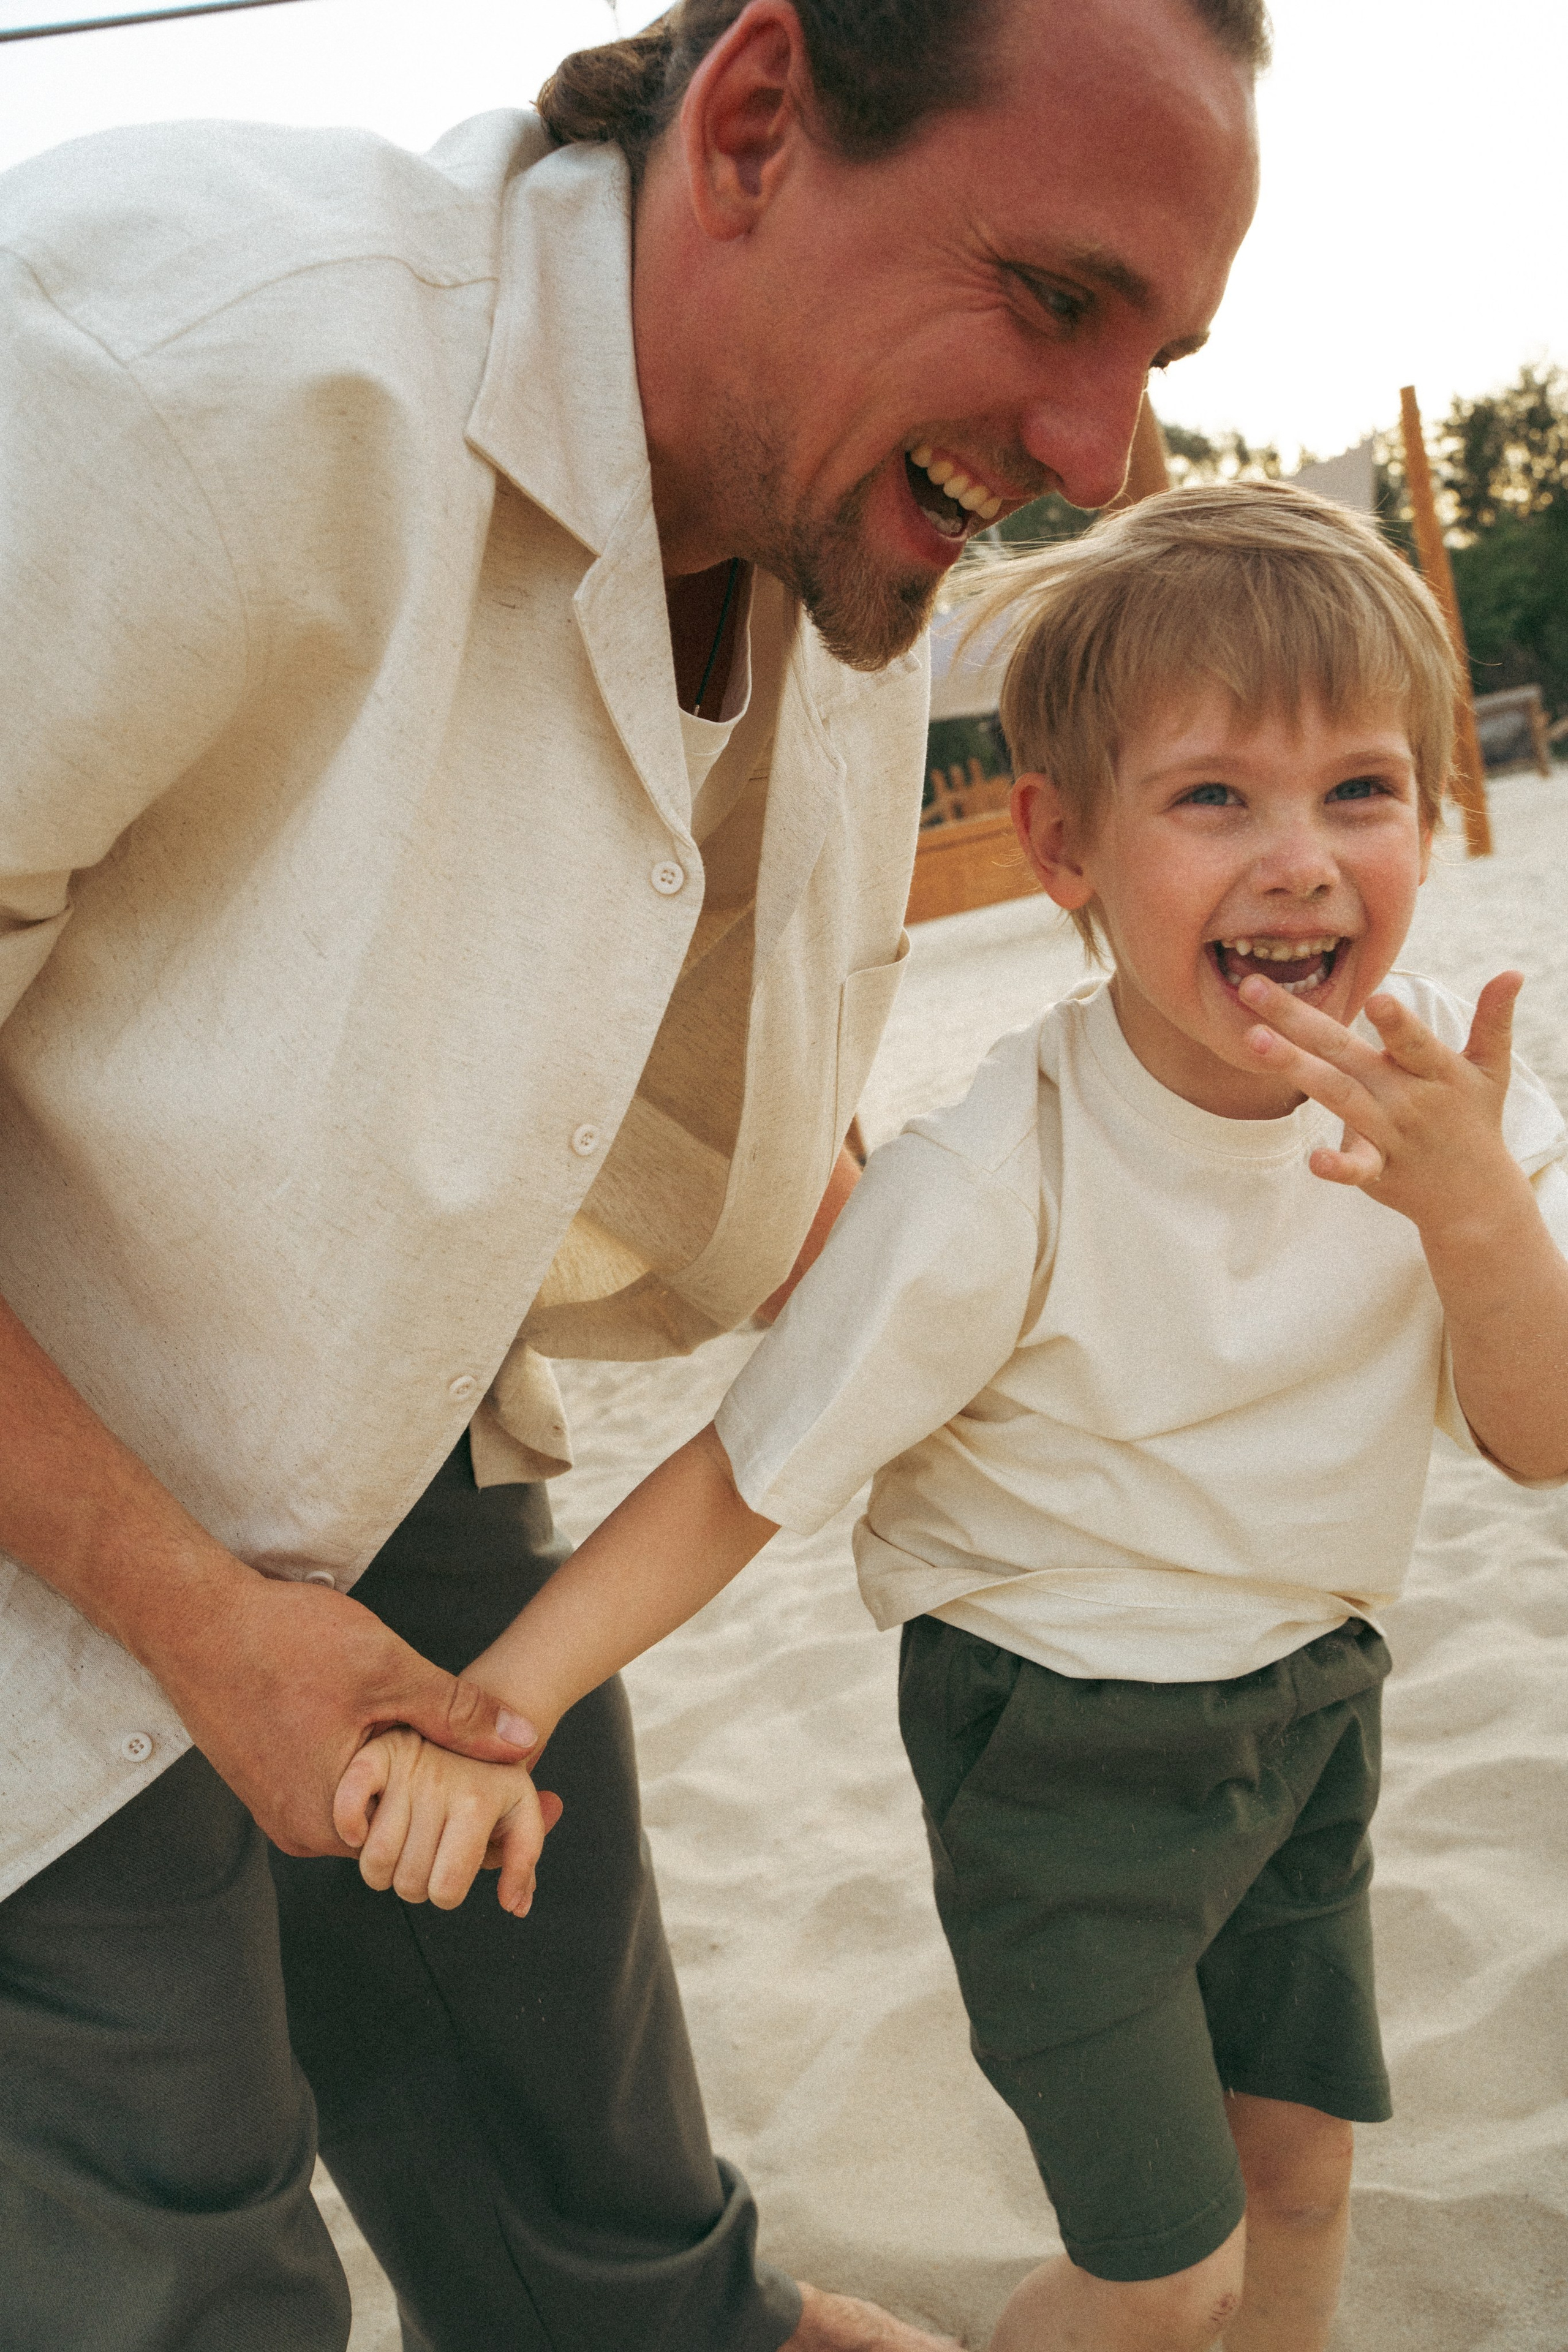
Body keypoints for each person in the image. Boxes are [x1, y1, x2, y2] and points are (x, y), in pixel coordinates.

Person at [0, 3, 1262, 2346]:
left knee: (614, 2224)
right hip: (31, 1476)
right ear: (760, 121)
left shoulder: (830, 490)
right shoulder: (170, 365)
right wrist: (188, 1610)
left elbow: (664, 1060)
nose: (1105, 446)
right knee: (170, 2255)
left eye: (1162, 348)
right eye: (1059, 301)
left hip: (384, 1394)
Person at [339, 481, 1568, 2352]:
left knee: (1303, 2170)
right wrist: (497, 1708)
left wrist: (1482, 1221)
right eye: (1216, 796)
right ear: (1063, 843)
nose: (1304, 859)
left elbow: (1537, 1436)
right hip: (1060, 1764)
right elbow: (746, 1476)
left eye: (1362, 790)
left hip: (1313, 1713)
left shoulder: (1455, 1124)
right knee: (1165, 2266)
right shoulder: (1003, 1173)